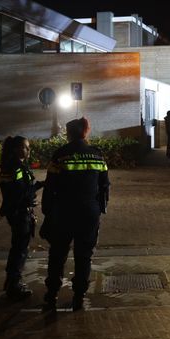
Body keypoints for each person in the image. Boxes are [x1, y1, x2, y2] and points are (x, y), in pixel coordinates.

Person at [40, 117, 110, 312]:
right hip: (89, 213)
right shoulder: (97, 156)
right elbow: (105, 186)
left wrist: (47, 213)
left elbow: (49, 187)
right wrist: (99, 209)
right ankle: (78, 297)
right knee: (83, 256)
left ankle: (52, 295)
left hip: (63, 212)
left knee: (57, 255)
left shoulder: (60, 155)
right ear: (85, 132)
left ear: (68, 134)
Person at [0, 135, 43, 299]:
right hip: (20, 212)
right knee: (20, 249)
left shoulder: (11, 166)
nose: (28, 150)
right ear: (17, 149)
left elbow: (19, 189)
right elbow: (20, 192)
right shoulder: (16, 167)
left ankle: (11, 280)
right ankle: (14, 285)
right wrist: (37, 187)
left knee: (17, 247)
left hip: (15, 211)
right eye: (25, 147)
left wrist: (37, 186)